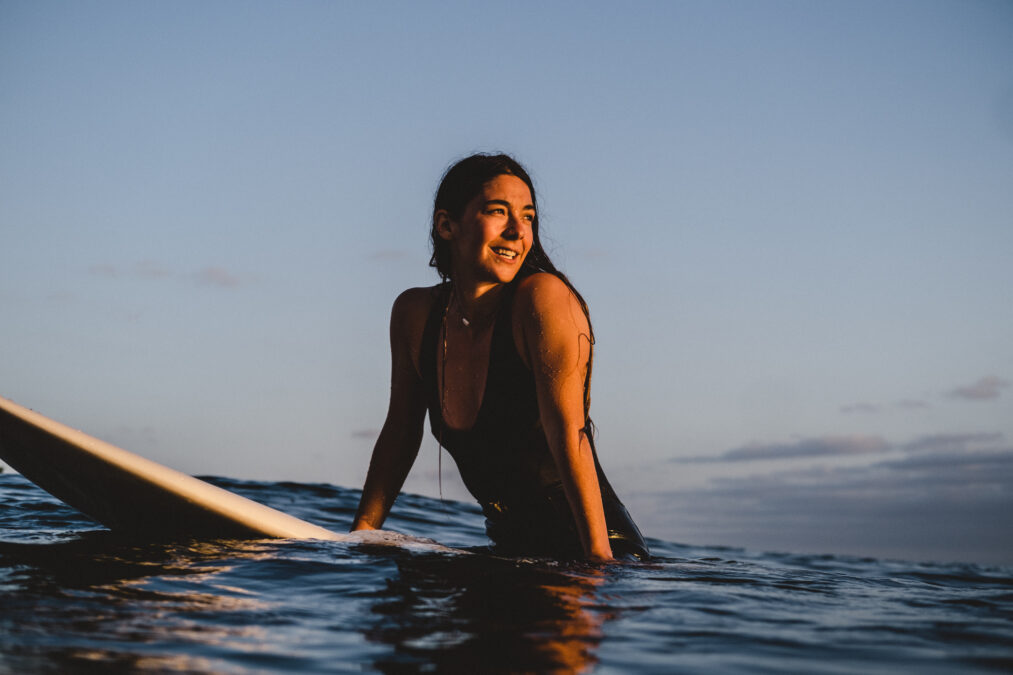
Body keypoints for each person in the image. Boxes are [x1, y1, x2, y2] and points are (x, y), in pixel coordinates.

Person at [351, 153, 648, 561]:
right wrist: (358, 539)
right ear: (446, 225)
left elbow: (569, 433)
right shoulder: (415, 315)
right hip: (510, 552)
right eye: (497, 212)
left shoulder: (542, 300)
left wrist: (599, 566)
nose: (517, 231)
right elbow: (401, 432)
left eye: (527, 217)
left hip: (590, 551)